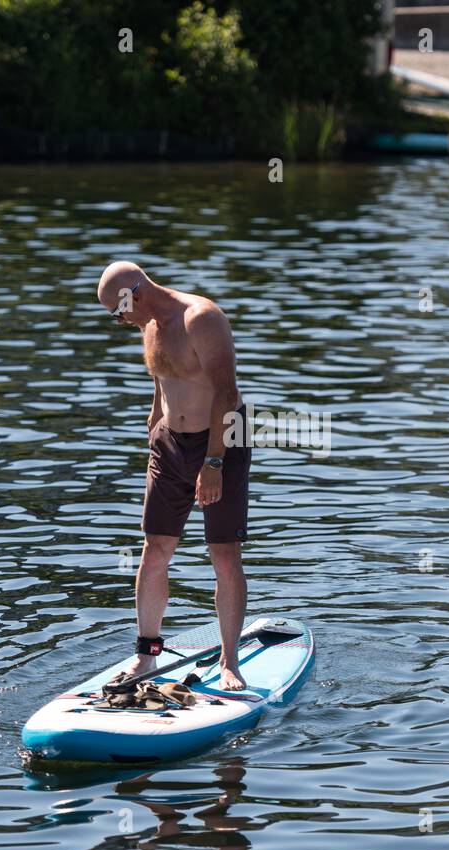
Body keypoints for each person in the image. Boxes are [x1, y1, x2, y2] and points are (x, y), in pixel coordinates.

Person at [97, 261, 252, 691]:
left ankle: (229, 662)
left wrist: (214, 463)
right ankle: (146, 656)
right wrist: (153, 421)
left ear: (135, 295)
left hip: (221, 442)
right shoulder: (147, 324)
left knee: (223, 553)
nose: (118, 320)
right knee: (154, 547)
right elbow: (161, 375)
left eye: (117, 311)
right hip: (169, 444)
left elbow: (225, 390)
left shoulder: (201, 319)